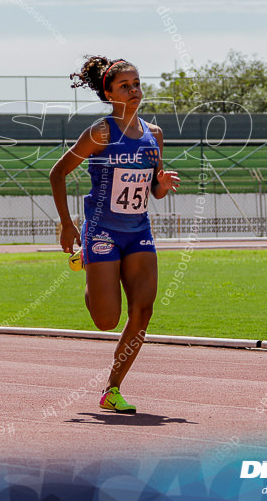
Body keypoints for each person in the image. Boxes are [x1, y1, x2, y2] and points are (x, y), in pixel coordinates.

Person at [49, 56, 180, 414]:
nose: (134, 90)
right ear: (109, 92)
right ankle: (88, 260)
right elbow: (57, 173)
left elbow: (153, 188)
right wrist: (66, 223)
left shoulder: (156, 134)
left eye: (137, 83)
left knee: (143, 310)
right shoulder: (101, 133)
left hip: (138, 232)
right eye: (125, 86)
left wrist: (162, 185)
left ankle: (112, 388)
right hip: (102, 231)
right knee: (107, 320)